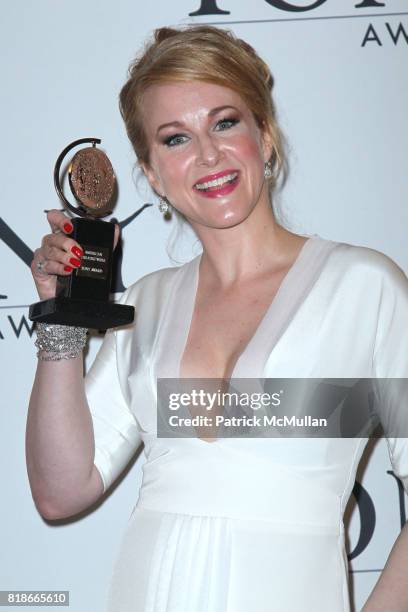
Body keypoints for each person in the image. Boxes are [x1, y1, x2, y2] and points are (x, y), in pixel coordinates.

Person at [26, 25, 408, 612]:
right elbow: (61, 491)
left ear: (265, 133)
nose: (207, 155)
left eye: (225, 122)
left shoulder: (363, 287)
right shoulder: (146, 305)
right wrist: (60, 324)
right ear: (152, 174)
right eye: (175, 139)